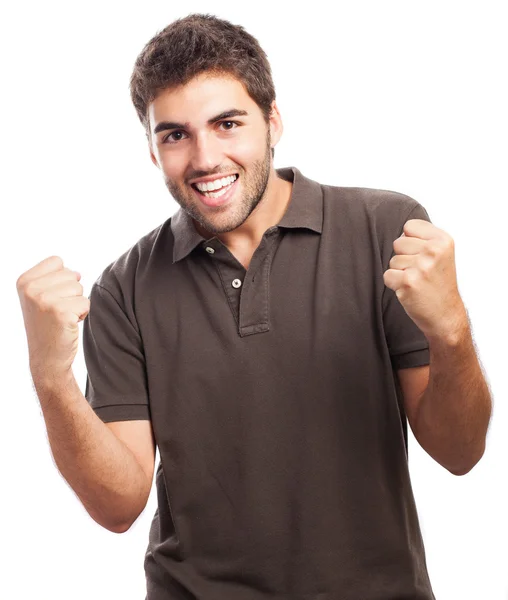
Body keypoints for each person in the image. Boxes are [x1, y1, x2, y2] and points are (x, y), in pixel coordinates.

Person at [16, 12, 492, 600]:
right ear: (151, 149)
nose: (205, 158)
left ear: (273, 121)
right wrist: (49, 377)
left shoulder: (384, 230)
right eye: (175, 134)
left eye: (227, 123)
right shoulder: (124, 288)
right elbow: (118, 508)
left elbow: (460, 452)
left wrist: (450, 330)